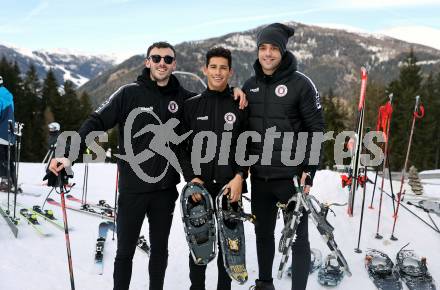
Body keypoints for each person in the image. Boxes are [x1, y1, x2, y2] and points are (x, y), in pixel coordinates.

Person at [48, 41, 247, 290]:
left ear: (174, 64)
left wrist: (234, 91)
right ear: (147, 62)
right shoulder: (128, 93)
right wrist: (67, 156)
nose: (161, 63)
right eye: (156, 58)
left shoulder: (184, 99)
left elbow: (213, 96)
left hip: (165, 191)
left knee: (159, 252)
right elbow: (96, 121)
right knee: (125, 252)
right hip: (133, 188)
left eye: (167, 59)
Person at [242, 23, 325, 290]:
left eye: (273, 48)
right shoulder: (250, 85)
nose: (267, 54)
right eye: (263, 48)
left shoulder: (301, 84)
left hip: (291, 178)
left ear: (283, 51)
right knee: (263, 234)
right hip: (261, 179)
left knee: (298, 239)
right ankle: (265, 283)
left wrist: (309, 170)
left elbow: (316, 131)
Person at [180, 47, 248, 290]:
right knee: (199, 245)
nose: (218, 72)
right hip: (200, 190)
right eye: (213, 67)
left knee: (230, 247)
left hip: (231, 188)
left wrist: (240, 176)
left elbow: (248, 146)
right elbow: (180, 147)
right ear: (205, 69)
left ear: (230, 72)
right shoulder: (192, 107)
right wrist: (192, 179)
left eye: (223, 68)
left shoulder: (240, 105)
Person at [0, 75, 16, 189]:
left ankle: (5, 181)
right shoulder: (7, 95)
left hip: (0, 132)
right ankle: (12, 180)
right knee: (8, 158)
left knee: (1, 158)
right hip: (9, 132)